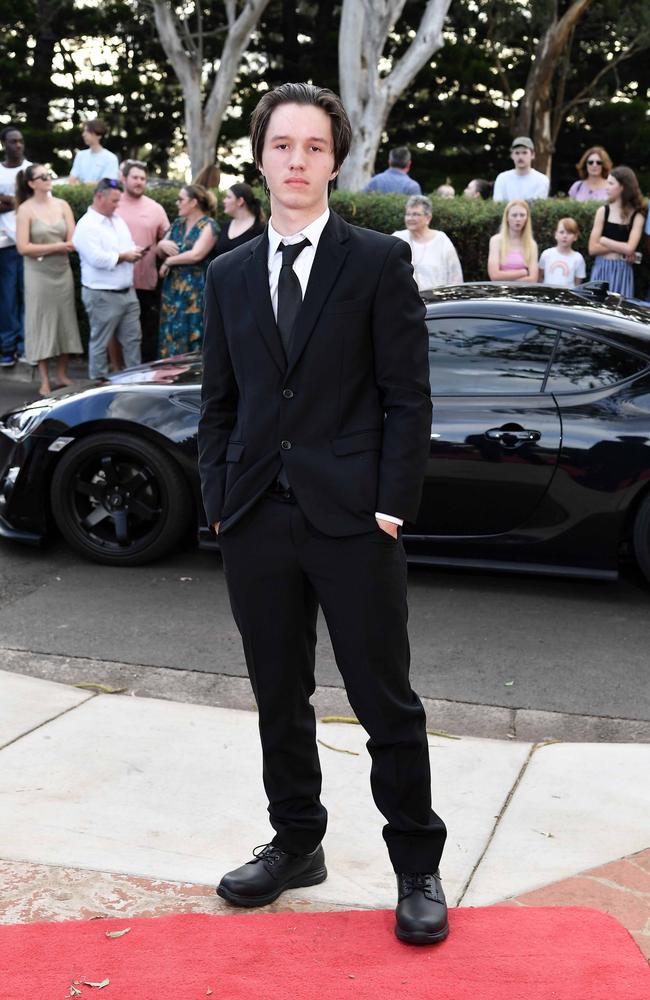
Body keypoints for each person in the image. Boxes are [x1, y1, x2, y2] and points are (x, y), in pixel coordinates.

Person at [198, 82, 448, 946]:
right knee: (279, 695)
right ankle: (297, 843)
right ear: (260, 157)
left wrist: (390, 509)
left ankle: (417, 864)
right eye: (281, 146)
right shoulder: (228, 272)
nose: (297, 161)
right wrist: (219, 505)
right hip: (257, 518)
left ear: (334, 159)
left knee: (386, 702)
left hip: (355, 523)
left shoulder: (377, 261)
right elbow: (219, 403)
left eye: (312, 146)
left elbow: (408, 398)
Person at [15, 165, 82, 395]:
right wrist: (58, 246)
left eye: (49, 175)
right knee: (41, 321)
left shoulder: (63, 205)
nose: (47, 179)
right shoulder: (25, 210)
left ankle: (62, 374)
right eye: (42, 177)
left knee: (65, 320)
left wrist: (54, 248)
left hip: (61, 271)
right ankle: (44, 379)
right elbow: (23, 247)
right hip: (38, 274)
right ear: (31, 183)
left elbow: (73, 241)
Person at [72, 178, 145, 379]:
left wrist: (134, 251)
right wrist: (124, 256)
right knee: (100, 343)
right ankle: (97, 388)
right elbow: (97, 259)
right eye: (114, 201)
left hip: (127, 292)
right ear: (99, 197)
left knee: (133, 341)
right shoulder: (86, 225)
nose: (117, 205)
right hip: (102, 294)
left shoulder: (117, 220)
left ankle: (136, 386)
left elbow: (127, 244)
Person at [116, 160, 170, 361]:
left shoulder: (155, 208)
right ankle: (115, 374)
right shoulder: (113, 204)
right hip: (115, 281)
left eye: (143, 178)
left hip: (146, 282)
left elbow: (169, 238)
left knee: (143, 333)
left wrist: (163, 248)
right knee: (115, 332)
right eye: (135, 178)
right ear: (124, 179)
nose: (139, 182)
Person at [156, 184, 219, 357]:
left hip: (195, 289)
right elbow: (159, 250)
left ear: (193, 203)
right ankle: (168, 376)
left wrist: (169, 261)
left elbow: (196, 255)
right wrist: (161, 244)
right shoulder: (177, 224)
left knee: (193, 329)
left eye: (180, 199)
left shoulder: (209, 225)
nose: (177, 203)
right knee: (170, 331)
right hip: (173, 289)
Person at [588, 166, 646, 298]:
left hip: (622, 270)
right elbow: (592, 248)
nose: (606, 187)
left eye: (611, 183)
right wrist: (621, 249)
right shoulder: (603, 211)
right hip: (601, 268)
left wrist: (604, 240)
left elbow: (630, 248)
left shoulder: (637, 215)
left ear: (623, 187)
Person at [0, 125, 31, 367]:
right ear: (4, 144)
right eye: (13, 142)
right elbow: (24, 202)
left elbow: (34, 203)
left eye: (20, 141)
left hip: (27, 241)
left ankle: (25, 346)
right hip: (4, 245)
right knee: (7, 299)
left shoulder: (29, 170)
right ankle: (8, 347)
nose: (18, 145)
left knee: (27, 296)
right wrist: (18, 201)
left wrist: (11, 202)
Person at [392, 194, 463, 290]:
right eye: (408, 214)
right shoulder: (398, 238)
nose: (410, 218)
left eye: (415, 214)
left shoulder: (442, 240)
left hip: (437, 300)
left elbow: (456, 276)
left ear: (428, 218)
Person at [487, 198, 539, 282]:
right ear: (507, 217)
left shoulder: (531, 244)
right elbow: (494, 275)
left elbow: (533, 279)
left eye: (522, 215)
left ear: (527, 218)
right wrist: (523, 272)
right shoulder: (496, 241)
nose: (518, 219)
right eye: (514, 215)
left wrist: (507, 278)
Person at [213, 182, 265, 258]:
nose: (224, 201)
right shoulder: (225, 226)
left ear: (240, 201)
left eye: (228, 197)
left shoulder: (260, 229)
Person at [493, 136, 550, 202]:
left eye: (524, 153)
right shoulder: (502, 178)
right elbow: (497, 205)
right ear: (512, 155)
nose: (520, 157)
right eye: (517, 153)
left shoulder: (542, 180)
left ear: (532, 155)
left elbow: (538, 207)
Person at [69, 119, 120, 185]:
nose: (84, 134)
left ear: (99, 135)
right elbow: (71, 180)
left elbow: (108, 184)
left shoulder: (111, 158)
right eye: (84, 131)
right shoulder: (80, 155)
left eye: (88, 131)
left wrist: (81, 184)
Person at [539, 217, 586, 288]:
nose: (565, 236)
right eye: (561, 232)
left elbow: (578, 283)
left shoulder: (578, 258)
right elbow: (540, 276)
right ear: (556, 234)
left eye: (569, 233)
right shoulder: (546, 254)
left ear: (575, 237)